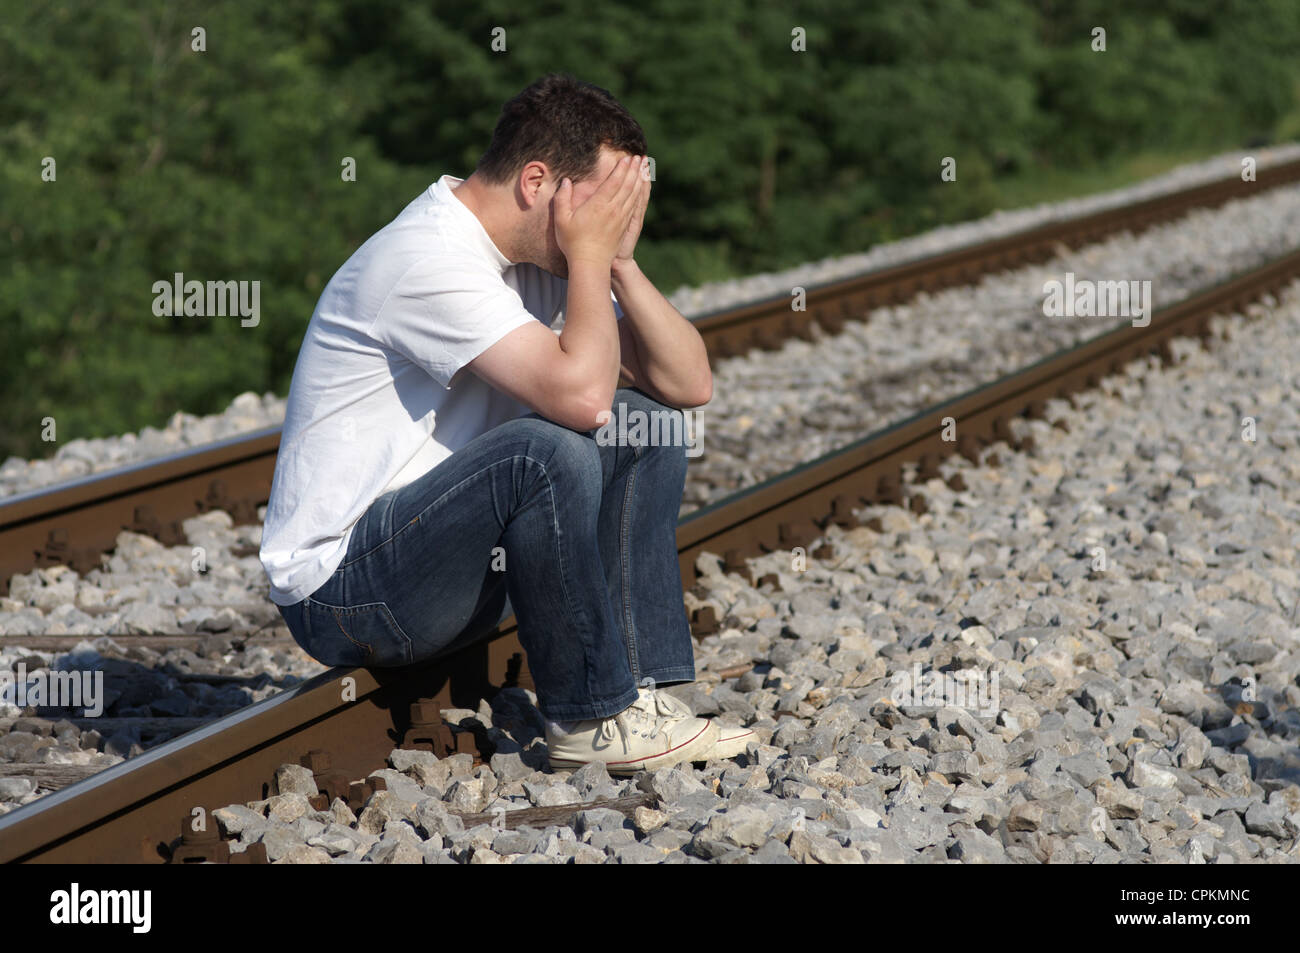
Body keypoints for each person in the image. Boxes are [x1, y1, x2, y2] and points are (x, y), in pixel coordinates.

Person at [259, 73, 754, 775]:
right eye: (602, 203)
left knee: (644, 425)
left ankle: (645, 694)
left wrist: (618, 262)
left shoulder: (544, 258)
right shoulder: (425, 257)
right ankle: (589, 717)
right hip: (346, 588)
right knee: (544, 451)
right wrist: (588, 255)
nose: (611, 217)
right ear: (535, 182)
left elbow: (687, 382)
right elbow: (582, 401)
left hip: (435, 559)